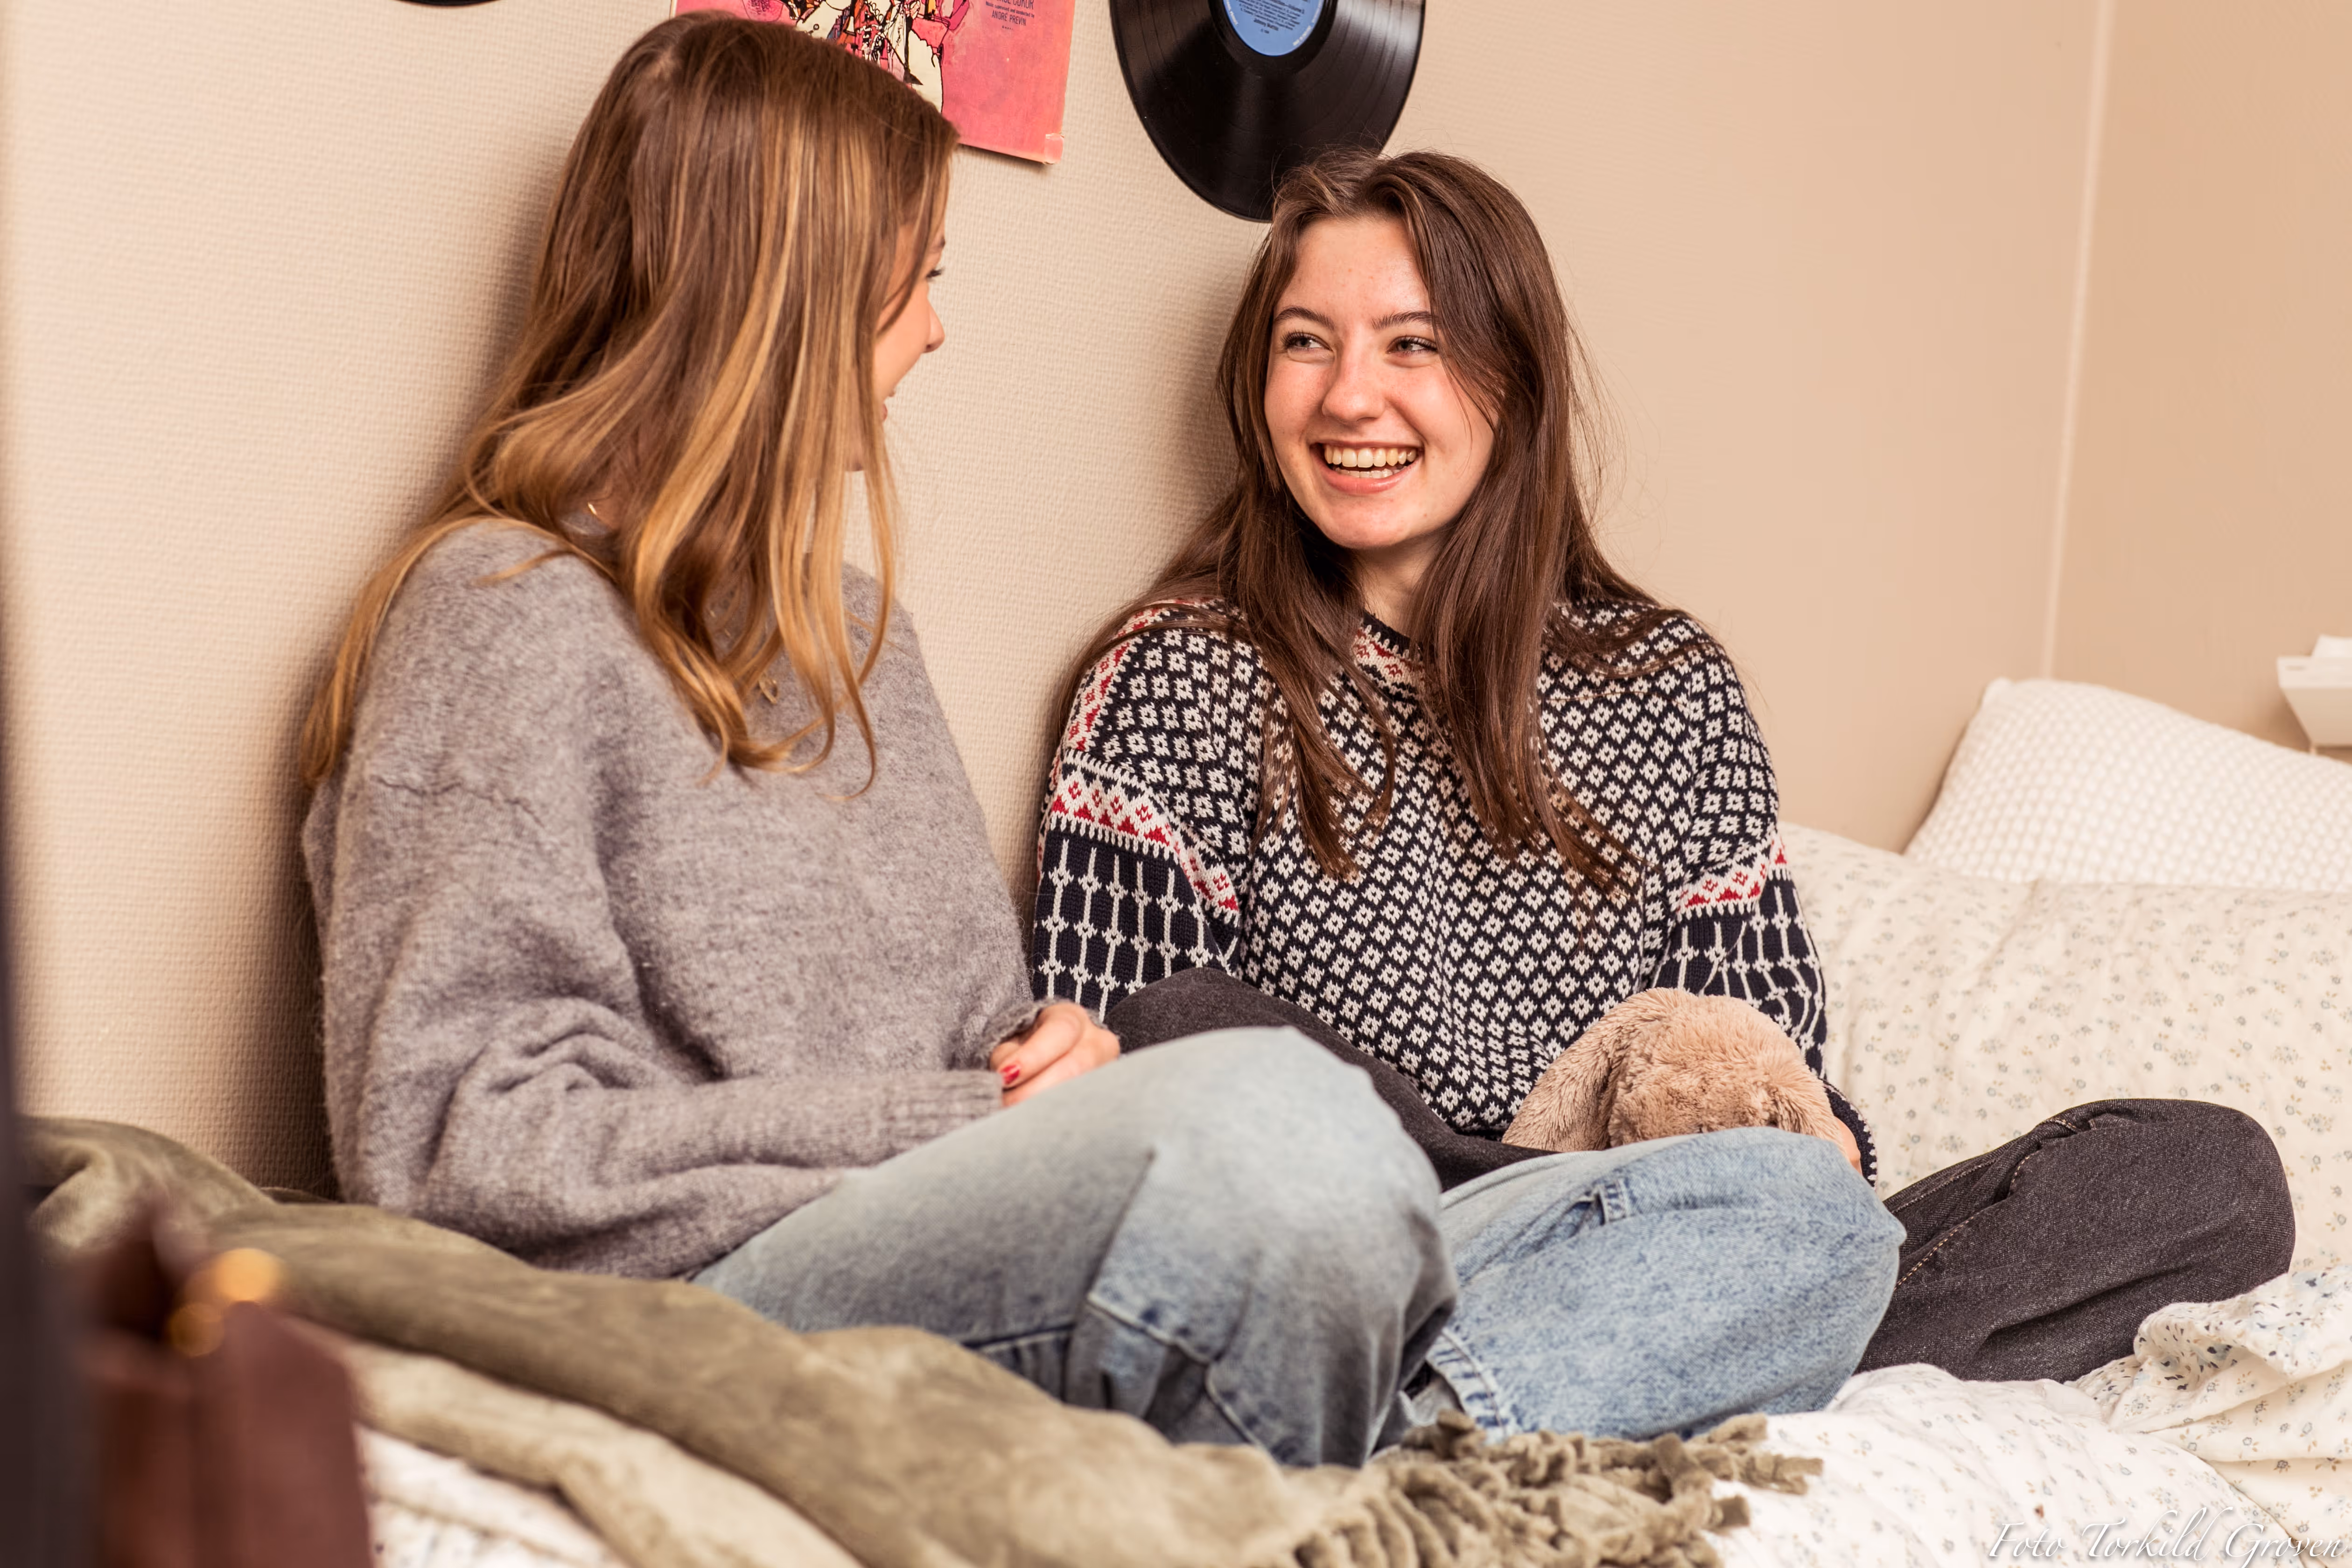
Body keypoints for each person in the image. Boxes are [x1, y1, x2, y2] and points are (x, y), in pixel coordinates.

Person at [301, 15, 1893, 1462]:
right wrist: (988, 1116)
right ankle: (1368, 1413)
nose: (935, 331)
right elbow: (462, 1147)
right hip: (729, 1290)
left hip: (960, 1220)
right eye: (919, 277)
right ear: (790, 302)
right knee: (1274, 1117)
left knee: (1806, 1220)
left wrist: (1040, 1068)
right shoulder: (501, 611)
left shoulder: (855, 638)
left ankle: (1434, 1438)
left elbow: (990, 1048)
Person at [1030, 147, 2294, 1386]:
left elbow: (1759, 1061)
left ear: (1513, 383)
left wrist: (1822, 1149)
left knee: (2212, 1176)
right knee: (1188, 1031)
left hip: (1686, 1248)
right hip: (1381, 1251)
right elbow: (1118, 1109)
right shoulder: (1179, 676)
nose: (1350, 395)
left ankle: (1643, 1364)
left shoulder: (1671, 686)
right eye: (1306, 342)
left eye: (1411, 344)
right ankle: (1600, 1366)